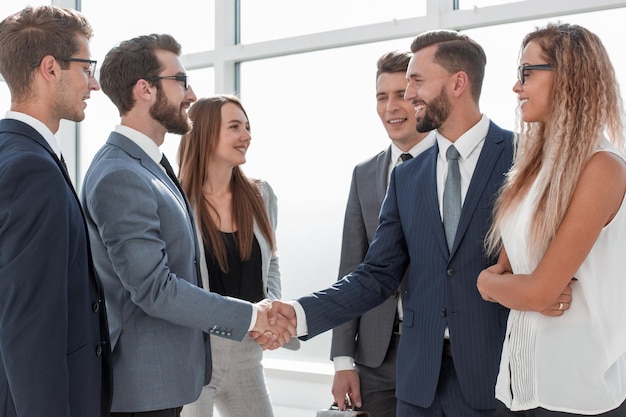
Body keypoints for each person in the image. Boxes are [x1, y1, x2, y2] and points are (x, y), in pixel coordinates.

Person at [256, 29, 568, 416]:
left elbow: (561, 252)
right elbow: (375, 274)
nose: (409, 95)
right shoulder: (407, 178)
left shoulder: (525, 159)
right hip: (420, 385)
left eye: (417, 81)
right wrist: (300, 312)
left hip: (501, 381)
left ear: (458, 82)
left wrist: (560, 289)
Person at [80, 34, 293, 417]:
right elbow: (154, 289)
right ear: (144, 89)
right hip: (144, 388)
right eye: (180, 81)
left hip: (173, 379)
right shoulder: (120, 173)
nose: (191, 95)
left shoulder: (152, 168)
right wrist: (250, 315)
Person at [477, 22, 626, 416]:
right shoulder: (531, 170)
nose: (516, 87)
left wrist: (490, 284)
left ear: (570, 77)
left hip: (576, 394)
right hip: (518, 387)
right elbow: (514, 276)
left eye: (527, 73)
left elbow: (537, 292)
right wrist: (496, 283)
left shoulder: (603, 167)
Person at [0, 6, 112, 417]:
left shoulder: (15, 153)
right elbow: (30, 327)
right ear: (50, 68)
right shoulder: (32, 168)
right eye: (86, 67)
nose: (94, 84)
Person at [177, 95, 299, 417]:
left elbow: (271, 263)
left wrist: (271, 311)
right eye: (235, 127)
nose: (246, 136)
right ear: (203, 132)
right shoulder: (177, 200)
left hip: (247, 349)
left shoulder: (261, 194)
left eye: (247, 127)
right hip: (196, 351)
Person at [329, 50, 435, 416]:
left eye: (402, 94)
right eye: (381, 96)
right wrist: (344, 359)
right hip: (374, 357)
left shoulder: (455, 167)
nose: (392, 106)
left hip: (440, 353)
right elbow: (351, 267)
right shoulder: (364, 174)